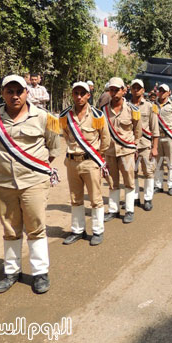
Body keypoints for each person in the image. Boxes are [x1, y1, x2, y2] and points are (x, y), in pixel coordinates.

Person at [0, 74, 60, 294]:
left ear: (27, 92)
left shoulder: (44, 117)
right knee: (10, 229)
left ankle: (40, 273)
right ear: (3, 93)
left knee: (36, 228)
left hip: (33, 183)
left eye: (19, 91)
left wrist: (33, 169)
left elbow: (53, 149)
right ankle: (11, 272)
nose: (15, 96)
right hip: (4, 183)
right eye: (10, 91)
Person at [60, 82, 111, 246]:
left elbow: (105, 139)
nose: (79, 96)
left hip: (91, 162)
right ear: (72, 94)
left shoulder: (97, 115)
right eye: (76, 93)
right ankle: (77, 230)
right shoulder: (65, 115)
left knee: (96, 199)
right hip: (72, 162)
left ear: (89, 95)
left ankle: (97, 230)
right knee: (75, 198)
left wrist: (98, 158)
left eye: (83, 93)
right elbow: (66, 135)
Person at [102, 77, 141, 224]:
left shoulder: (132, 110)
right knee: (112, 181)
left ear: (124, 91)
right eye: (111, 90)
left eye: (117, 90)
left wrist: (135, 146)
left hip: (127, 151)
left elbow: (138, 130)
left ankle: (129, 210)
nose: (114, 93)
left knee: (129, 181)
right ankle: (113, 209)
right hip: (110, 151)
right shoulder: (103, 110)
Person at [130, 79, 159, 211]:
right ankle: (135, 198)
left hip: (145, 145)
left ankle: (148, 198)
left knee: (148, 173)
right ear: (131, 90)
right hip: (130, 146)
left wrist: (154, 147)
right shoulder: (126, 106)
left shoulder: (149, 107)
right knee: (133, 173)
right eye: (134, 87)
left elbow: (155, 129)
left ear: (143, 90)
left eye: (138, 88)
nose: (136, 90)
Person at [154, 84, 172, 196]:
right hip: (157, 137)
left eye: (164, 91)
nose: (162, 93)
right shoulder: (153, 104)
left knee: (170, 163)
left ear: (169, 92)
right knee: (158, 163)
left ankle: (171, 186)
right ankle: (158, 185)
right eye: (160, 90)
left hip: (169, 136)